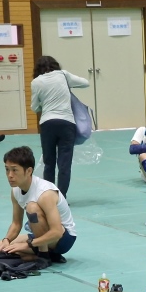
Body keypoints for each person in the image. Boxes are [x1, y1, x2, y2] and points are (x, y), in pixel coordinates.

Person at [0, 146, 76, 263]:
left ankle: (44, 254)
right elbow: (16, 224)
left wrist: (28, 244)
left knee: (32, 207)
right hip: (41, 234)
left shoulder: (45, 193)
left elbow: (57, 232)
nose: (10, 175)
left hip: (63, 239)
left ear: (29, 171)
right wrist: (7, 240)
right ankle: (49, 255)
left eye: (14, 170)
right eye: (7, 169)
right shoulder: (15, 190)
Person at [30, 55, 90, 198]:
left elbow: (34, 107)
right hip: (66, 123)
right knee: (64, 164)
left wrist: (44, 103)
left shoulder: (36, 82)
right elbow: (85, 83)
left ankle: (49, 197)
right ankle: (61, 197)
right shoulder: (63, 75)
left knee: (49, 163)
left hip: (47, 124)